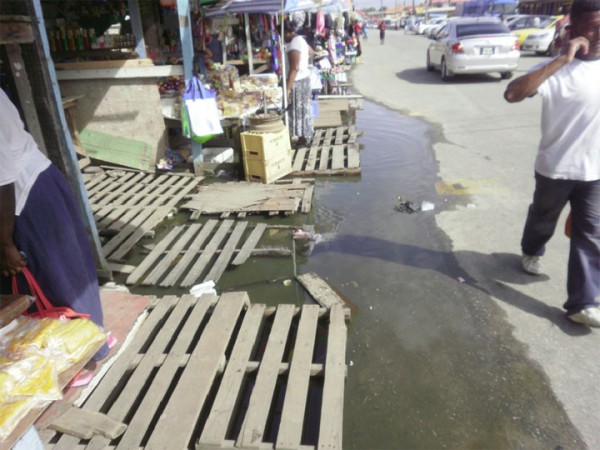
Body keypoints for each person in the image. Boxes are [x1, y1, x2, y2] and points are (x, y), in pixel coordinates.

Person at [503, 0, 600, 327]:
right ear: (572, 29)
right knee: (543, 219)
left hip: (595, 173)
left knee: (590, 235)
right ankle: (531, 249)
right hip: (555, 168)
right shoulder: (557, 69)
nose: (599, 32)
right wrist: (562, 59)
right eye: (592, 25)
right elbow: (512, 95)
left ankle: (582, 302)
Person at [0, 88, 115, 364]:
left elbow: (2, 180)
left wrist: (4, 243)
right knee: (68, 273)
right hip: (38, 183)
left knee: (50, 282)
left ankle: (74, 359)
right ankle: (90, 342)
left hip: (23, 196)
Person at [284, 18, 314, 147]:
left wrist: (288, 88)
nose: (283, 37)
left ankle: (302, 138)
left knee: (298, 110)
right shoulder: (301, 40)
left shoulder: (293, 44)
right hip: (305, 79)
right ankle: (305, 136)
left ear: (287, 32)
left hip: (298, 81)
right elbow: (311, 52)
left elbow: (294, 68)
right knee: (304, 110)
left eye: (283, 34)